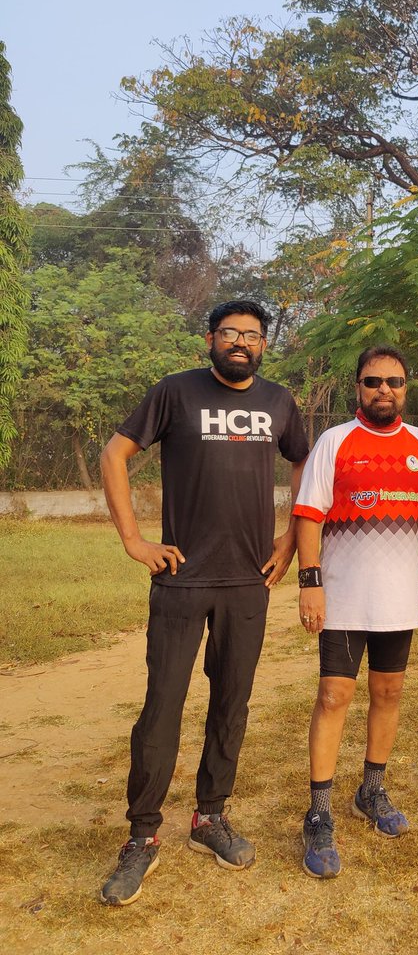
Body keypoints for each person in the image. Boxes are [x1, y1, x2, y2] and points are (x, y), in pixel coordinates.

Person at [98, 300, 309, 906]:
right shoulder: (175, 393)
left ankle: (210, 817)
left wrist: (291, 538)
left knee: (231, 702)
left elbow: (306, 463)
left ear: (264, 345)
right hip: (182, 580)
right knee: (162, 705)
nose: (240, 342)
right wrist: (134, 540)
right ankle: (142, 835)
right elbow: (115, 454)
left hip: (249, 581)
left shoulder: (279, 402)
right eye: (230, 333)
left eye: (252, 335)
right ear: (210, 339)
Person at [293, 346, 418, 879]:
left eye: (395, 381)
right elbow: (309, 515)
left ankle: (372, 790)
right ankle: (319, 812)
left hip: (396, 600)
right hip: (341, 597)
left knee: (388, 693)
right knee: (334, 695)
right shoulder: (335, 441)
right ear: (357, 387)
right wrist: (310, 583)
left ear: (407, 388)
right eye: (373, 381)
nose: (385, 389)